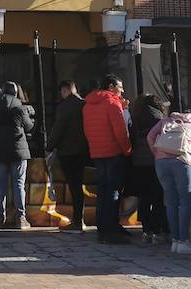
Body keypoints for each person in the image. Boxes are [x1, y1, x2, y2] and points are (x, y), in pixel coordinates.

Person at [147, 106, 191, 256]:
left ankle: (175, 241)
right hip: (183, 162)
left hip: (161, 163)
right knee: (185, 202)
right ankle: (183, 241)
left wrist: (158, 153)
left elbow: (150, 137)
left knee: (171, 202)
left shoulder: (165, 121)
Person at [83, 76, 133, 244]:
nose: (122, 91)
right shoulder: (112, 103)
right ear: (111, 87)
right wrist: (127, 150)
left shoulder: (88, 105)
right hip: (113, 152)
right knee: (113, 191)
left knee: (102, 190)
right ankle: (111, 229)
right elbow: (121, 132)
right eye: (120, 87)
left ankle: (103, 228)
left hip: (97, 152)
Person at [0, 81, 34, 230]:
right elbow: (29, 126)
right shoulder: (19, 108)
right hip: (17, 150)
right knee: (18, 184)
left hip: (0, 151)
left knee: (0, 185)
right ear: (15, 92)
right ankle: (20, 218)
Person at [128, 93, 169, 244]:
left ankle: (146, 230)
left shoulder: (135, 117)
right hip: (155, 160)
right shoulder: (159, 119)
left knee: (143, 197)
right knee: (157, 197)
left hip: (138, 161)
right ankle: (158, 230)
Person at [50, 80, 90, 232]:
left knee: (74, 187)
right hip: (83, 150)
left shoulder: (65, 107)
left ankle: (77, 221)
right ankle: (81, 220)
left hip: (68, 152)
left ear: (66, 90)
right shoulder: (85, 104)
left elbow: (58, 129)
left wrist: (49, 146)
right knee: (80, 185)